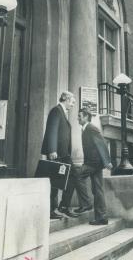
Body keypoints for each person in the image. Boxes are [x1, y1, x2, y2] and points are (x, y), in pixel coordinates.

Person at [41, 91, 90, 219]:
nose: (73, 105)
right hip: (57, 153)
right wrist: (52, 150)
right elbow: (52, 129)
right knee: (60, 179)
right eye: (73, 102)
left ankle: (62, 207)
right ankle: (57, 208)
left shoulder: (62, 112)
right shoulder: (56, 111)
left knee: (63, 178)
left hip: (63, 153)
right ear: (66, 99)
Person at [76, 108, 112, 225]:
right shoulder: (85, 129)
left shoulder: (91, 128)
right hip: (94, 163)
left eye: (80, 116)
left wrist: (107, 161)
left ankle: (86, 204)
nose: (78, 118)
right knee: (97, 189)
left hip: (94, 163)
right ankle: (101, 218)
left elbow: (101, 144)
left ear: (86, 117)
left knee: (77, 175)